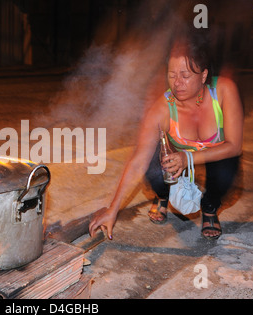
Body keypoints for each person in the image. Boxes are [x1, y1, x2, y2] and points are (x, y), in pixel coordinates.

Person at [89, 31, 243, 240]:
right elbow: (137, 161)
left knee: (228, 163)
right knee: (153, 164)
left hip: (212, 156)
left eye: (185, 76)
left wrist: (188, 158)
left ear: (204, 76)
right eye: (172, 75)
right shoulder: (163, 107)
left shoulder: (224, 90)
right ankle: (162, 196)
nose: (177, 82)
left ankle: (210, 207)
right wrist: (112, 210)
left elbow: (234, 145)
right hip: (174, 159)